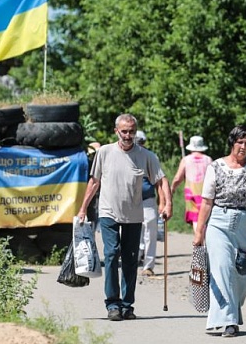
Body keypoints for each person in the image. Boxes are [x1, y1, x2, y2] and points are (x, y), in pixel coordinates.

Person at [77, 114, 172, 321]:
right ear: (116, 131)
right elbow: (94, 182)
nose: (128, 136)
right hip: (108, 211)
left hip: (134, 214)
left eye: (131, 131)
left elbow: (161, 181)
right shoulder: (104, 152)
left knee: (130, 259)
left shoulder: (146, 155)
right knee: (111, 254)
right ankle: (112, 303)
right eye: (124, 131)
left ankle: (127, 305)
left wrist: (167, 204)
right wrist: (83, 208)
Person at [193, 124, 246, 337]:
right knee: (223, 268)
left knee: (243, 272)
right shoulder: (216, 166)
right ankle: (228, 321)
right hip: (219, 221)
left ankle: (232, 310)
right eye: (240, 142)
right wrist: (199, 231)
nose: (243, 147)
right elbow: (207, 202)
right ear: (232, 143)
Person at [135, 129, 167, 277]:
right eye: (137, 141)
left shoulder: (150, 157)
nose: (138, 144)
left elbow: (159, 181)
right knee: (131, 232)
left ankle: (148, 266)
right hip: (129, 202)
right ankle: (134, 258)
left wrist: (162, 202)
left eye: (141, 141)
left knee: (150, 232)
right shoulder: (125, 156)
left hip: (148, 199)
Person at [171, 135, 213, 233]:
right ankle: (203, 243)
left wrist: (172, 188)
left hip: (191, 192)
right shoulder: (208, 159)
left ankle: (199, 243)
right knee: (205, 217)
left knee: (196, 219)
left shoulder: (186, 160)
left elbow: (178, 178)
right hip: (206, 193)